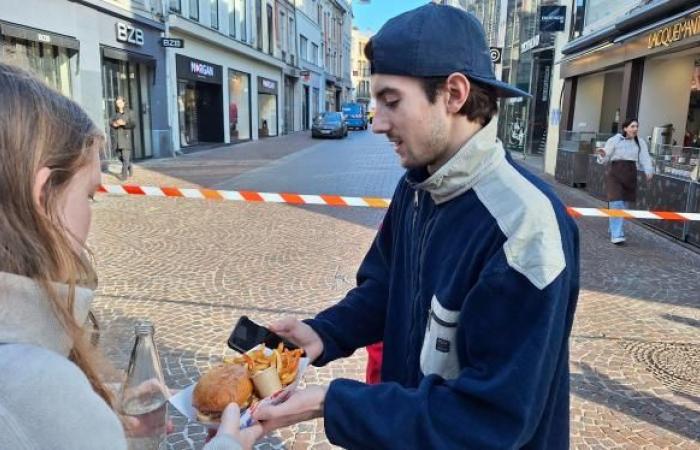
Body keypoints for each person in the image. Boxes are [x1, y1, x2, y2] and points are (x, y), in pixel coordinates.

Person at [253, 4, 580, 449]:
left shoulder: (525, 226)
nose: (376, 123)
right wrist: (325, 333)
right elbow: (385, 288)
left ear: (454, 94)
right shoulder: (420, 184)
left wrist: (331, 403)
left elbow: (490, 421)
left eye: (391, 101)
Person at [0, 62, 261, 450]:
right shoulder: (37, 385)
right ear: (43, 196)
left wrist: (100, 420)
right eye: (89, 195)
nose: (90, 219)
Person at [596, 118, 653, 245]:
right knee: (616, 203)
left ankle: (613, 228)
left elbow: (645, 157)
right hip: (615, 174)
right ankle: (617, 234)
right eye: (632, 126)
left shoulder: (640, 142)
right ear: (625, 128)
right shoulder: (615, 140)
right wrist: (602, 154)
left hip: (630, 174)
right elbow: (605, 156)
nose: (635, 129)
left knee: (624, 206)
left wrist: (648, 170)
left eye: (637, 126)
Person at [110, 96, 136, 180]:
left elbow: (133, 124)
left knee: (125, 158)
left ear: (124, 103)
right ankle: (129, 166)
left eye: (120, 103)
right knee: (119, 156)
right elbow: (110, 122)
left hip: (125, 138)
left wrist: (124, 123)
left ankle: (123, 175)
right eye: (117, 103)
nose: (119, 105)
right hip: (117, 139)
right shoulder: (115, 114)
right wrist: (114, 124)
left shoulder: (129, 112)